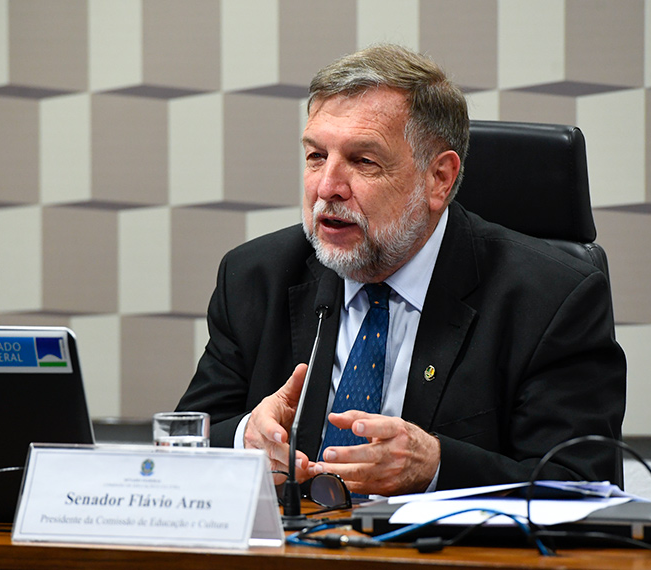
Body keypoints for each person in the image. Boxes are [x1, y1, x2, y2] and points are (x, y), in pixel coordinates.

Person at [176, 44, 626, 496]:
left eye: (363, 161)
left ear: (439, 179)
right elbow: (178, 446)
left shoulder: (550, 299)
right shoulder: (256, 276)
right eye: (316, 156)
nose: (328, 187)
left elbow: (581, 486)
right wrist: (244, 436)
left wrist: (436, 468)